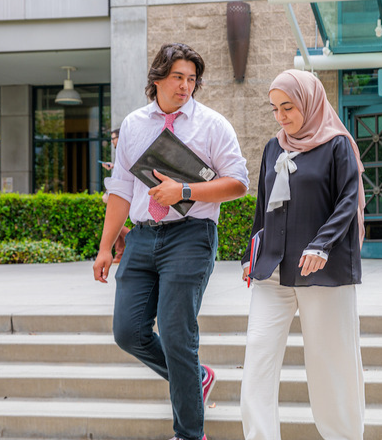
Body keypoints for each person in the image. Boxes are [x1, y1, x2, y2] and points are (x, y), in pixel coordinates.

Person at [93, 42, 249, 440]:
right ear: (158, 78)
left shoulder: (212, 124)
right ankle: (195, 377)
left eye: (192, 79)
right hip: (143, 237)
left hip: (191, 235)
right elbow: (122, 189)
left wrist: (184, 191)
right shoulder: (133, 125)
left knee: (178, 333)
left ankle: (189, 433)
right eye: (178, 77)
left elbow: (238, 185)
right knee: (128, 332)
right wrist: (106, 246)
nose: (185, 86)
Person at [239, 69, 366, 440]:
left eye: (288, 107)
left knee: (332, 366)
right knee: (257, 361)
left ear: (310, 102)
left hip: (322, 273)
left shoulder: (337, 145)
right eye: (275, 109)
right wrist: (253, 254)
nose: (281, 117)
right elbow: (263, 207)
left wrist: (321, 244)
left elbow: (347, 202)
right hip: (274, 272)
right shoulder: (273, 147)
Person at [101, 127, 128, 263]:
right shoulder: (119, 152)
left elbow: (122, 178)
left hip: (125, 192)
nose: (112, 141)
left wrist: (108, 193)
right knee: (114, 220)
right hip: (120, 189)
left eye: (113, 138)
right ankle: (120, 254)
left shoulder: (125, 149)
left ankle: (131, 237)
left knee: (115, 222)